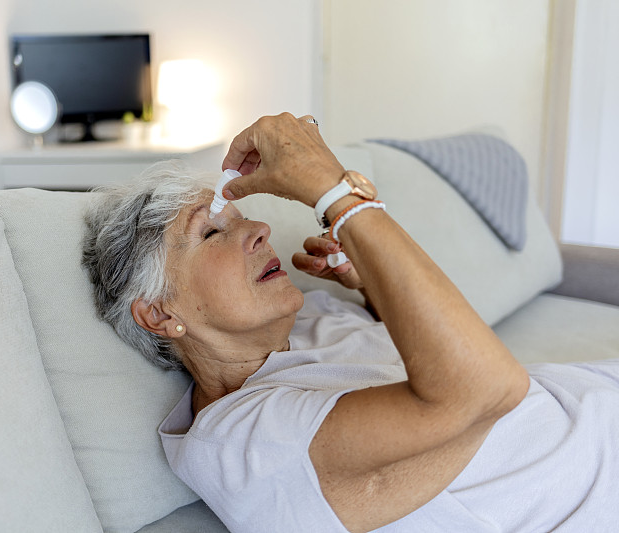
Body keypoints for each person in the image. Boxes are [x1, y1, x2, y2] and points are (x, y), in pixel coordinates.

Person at [82, 113, 618, 532]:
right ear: (159, 313)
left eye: (243, 218)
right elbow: (489, 387)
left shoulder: (312, 316)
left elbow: (433, 348)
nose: (261, 229)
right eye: (211, 233)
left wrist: (371, 284)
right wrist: (335, 193)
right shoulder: (244, 442)